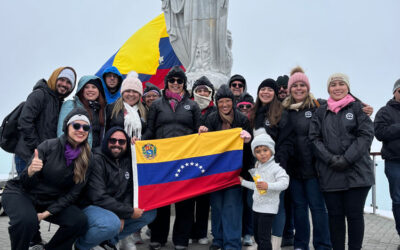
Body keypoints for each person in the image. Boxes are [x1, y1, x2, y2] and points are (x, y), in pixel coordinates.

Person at [2, 107, 91, 250]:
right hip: (22, 193)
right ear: (67, 127)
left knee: (78, 220)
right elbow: (25, 182)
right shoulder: (49, 146)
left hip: (48, 199)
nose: (81, 130)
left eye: (85, 127)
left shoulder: (87, 158)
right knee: (26, 221)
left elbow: (73, 194)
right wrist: (30, 171)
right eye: (76, 125)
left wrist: (47, 213)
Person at [309, 73, 374, 250]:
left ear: (347, 87)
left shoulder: (358, 108)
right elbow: (314, 138)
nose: (337, 87)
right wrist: (331, 159)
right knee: (335, 217)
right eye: (333, 85)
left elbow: (366, 135)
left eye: (341, 84)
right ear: (328, 88)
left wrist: (346, 159)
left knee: (354, 216)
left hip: (357, 174)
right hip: (330, 173)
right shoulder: (321, 112)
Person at [142, 66, 201, 250]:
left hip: (185, 159)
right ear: (167, 82)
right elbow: (151, 130)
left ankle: (181, 240)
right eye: (172, 80)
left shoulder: (192, 105)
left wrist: (203, 131)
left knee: (185, 201)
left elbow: (198, 129)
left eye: (179, 81)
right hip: (163, 160)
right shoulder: (157, 104)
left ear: (184, 84)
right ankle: (158, 238)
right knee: (162, 200)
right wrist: (140, 143)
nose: (176, 83)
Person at [75, 127, 156, 250]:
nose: (117, 144)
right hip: (91, 206)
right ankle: (82, 245)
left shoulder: (127, 160)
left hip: (114, 206)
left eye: (121, 142)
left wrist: (123, 213)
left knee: (149, 212)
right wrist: (124, 212)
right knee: (111, 224)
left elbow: (129, 191)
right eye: (113, 140)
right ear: (106, 141)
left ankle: (108, 241)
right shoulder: (96, 159)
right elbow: (98, 197)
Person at [282, 67, 331, 250]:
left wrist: (363, 106)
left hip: (314, 168)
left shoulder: (318, 106)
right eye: (295, 86)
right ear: (290, 89)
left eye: (302, 85)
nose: (299, 89)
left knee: (318, 209)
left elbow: (341, 99)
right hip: (294, 169)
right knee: (299, 209)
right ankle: (301, 244)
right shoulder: (284, 109)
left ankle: (323, 244)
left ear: (308, 87)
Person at [198, 84, 252, 250]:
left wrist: (248, 139)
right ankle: (218, 240)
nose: (225, 105)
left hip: (235, 172)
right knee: (217, 207)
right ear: (217, 102)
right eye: (221, 101)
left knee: (232, 208)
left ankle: (232, 243)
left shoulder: (242, 120)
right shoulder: (211, 118)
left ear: (233, 101)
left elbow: (249, 150)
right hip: (215, 172)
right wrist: (202, 133)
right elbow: (205, 147)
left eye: (228, 101)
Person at [251, 78, 294, 248]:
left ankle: (275, 243)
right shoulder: (254, 113)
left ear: (275, 94)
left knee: (278, 205)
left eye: (270, 89)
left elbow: (287, 141)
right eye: (263, 89)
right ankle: (262, 242)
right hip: (257, 167)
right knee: (257, 203)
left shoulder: (281, 112)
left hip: (275, 166)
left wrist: (278, 162)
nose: (266, 92)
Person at [15, 67, 77, 175]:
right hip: (28, 156)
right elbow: (24, 122)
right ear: (54, 78)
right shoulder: (39, 95)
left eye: (68, 82)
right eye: (61, 79)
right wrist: (39, 149)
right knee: (25, 190)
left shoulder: (60, 103)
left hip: (45, 158)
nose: (64, 84)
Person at [240, 131, 289, 250]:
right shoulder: (258, 167)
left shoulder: (276, 168)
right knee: (257, 236)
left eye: (265, 150)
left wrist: (268, 185)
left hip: (268, 209)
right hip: (256, 207)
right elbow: (257, 187)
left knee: (264, 238)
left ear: (271, 150)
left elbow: (284, 183)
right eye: (258, 151)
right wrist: (243, 182)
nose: (262, 154)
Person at [187, 75, 216, 245]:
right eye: (199, 90)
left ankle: (202, 232)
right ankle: (190, 232)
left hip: (208, 160)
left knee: (204, 200)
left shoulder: (215, 110)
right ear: (194, 92)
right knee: (189, 199)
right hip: (189, 158)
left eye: (206, 90)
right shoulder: (188, 107)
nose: (203, 92)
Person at [374, 78, 400, 237]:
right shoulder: (384, 111)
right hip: (394, 162)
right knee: (398, 200)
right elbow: (380, 133)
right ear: (394, 92)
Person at [57, 75, 106, 148]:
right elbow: (62, 130)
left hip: (96, 155)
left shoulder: (101, 109)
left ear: (99, 91)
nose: (90, 90)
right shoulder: (71, 104)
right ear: (81, 89)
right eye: (86, 87)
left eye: (94, 87)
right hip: (76, 153)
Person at [235, 94, 255, 246]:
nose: (244, 109)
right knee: (238, 202)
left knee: (250, 202)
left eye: (248, 106)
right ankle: (238, 232)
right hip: (237, 168)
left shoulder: (257, 122)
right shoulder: (235, 121)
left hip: (254, 168)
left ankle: (248, 232)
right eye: (241, 106)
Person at [106, 72, 147, 139]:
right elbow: (105, 131)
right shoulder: (111, 108)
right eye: (128, 91)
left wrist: (140, 140)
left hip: (138, 148)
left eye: (135, 91)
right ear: (122, 93)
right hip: (117, 147)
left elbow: (149, 131)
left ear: (140, 95)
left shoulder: (145, 110)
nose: (131, 94)